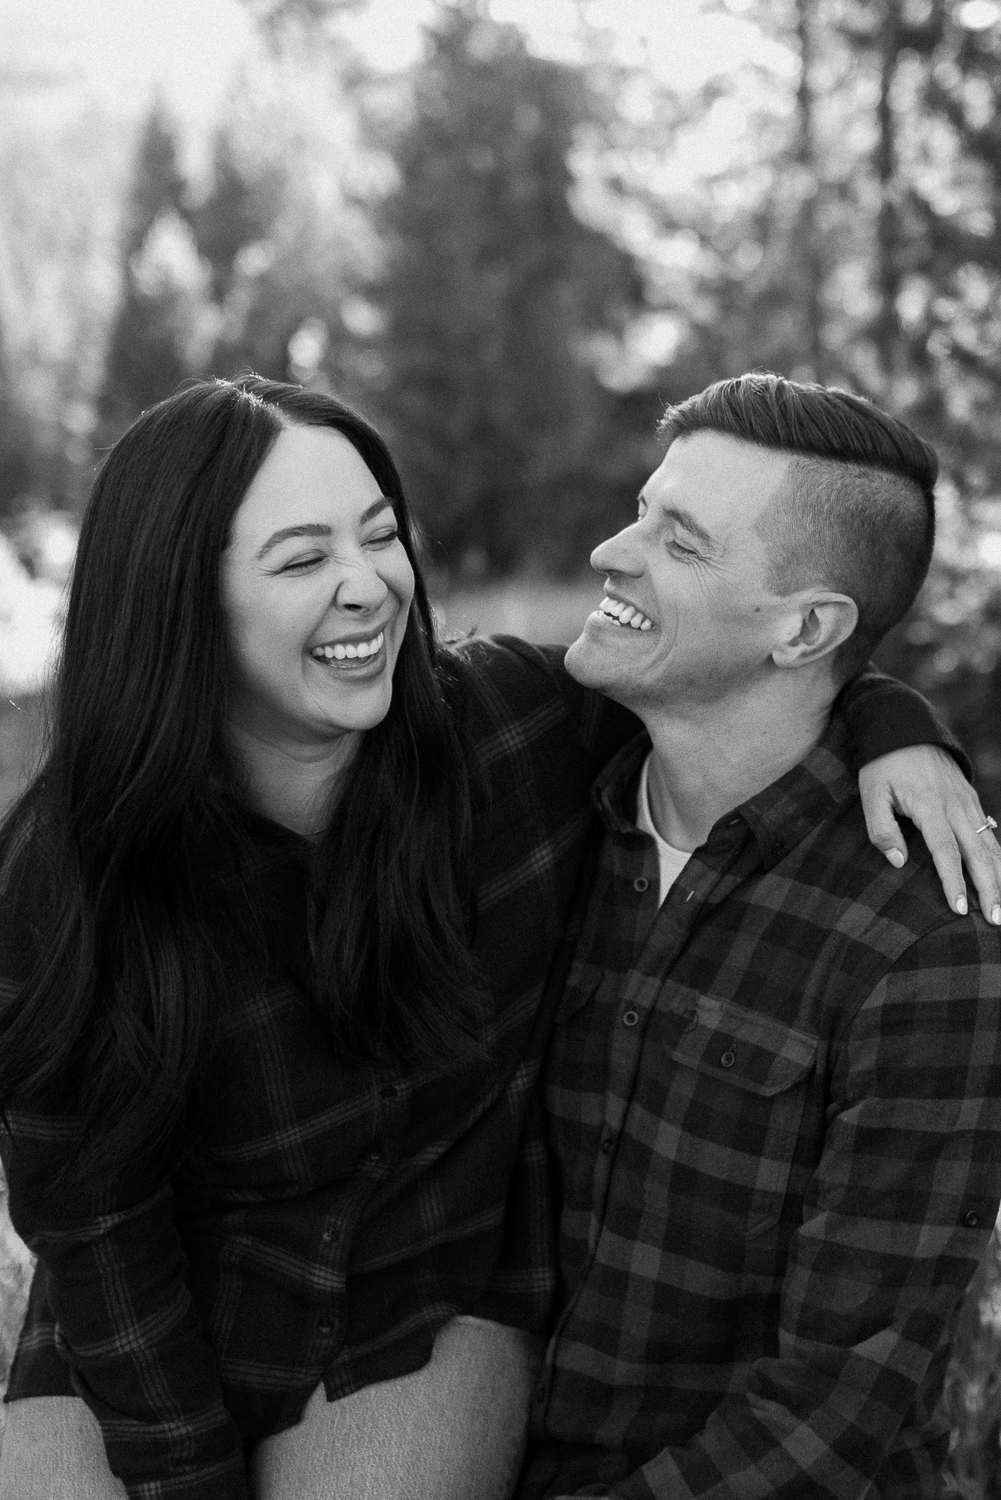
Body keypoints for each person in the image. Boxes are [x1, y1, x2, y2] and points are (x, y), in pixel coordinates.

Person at [0, 378, 991, 1500]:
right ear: (179, 605)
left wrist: (895, 723)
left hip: (416, 1299)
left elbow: (751, 689)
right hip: (163, 1296)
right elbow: (91, 1209)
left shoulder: (505, 734)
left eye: (380, 535)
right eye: (296, 559)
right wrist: (185, 1477)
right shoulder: (75, 866)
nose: (366, 585)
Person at [517, 374, 1001, 1500]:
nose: (608, 552)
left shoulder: (928, 940)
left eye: (676, 541)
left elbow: (830, 1418)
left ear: (803, 629)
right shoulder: (543, 803)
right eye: (641, 510)